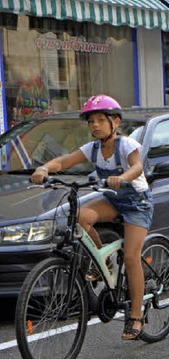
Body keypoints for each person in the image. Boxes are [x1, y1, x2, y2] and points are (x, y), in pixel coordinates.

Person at [31, 94, 153, 340]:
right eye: (91, 121)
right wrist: (44, 168)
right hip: (112, 199)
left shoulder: (126, 144)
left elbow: (137, 166)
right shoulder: (93, 149)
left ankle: (136, 316)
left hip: (136, 204)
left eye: (100, 120)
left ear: (115, 122)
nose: (95, 125)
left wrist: (125, 177)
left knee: (130, 257)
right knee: (79, 217)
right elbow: (65, 161)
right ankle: (103, 262)